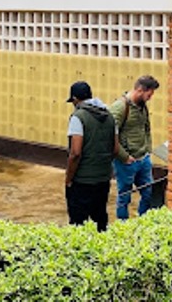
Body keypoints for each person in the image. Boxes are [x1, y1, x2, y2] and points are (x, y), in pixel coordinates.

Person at [65, 80, 120, 232]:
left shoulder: (78, 117)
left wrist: (69, 179)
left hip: (82, 180)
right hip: (103, 179)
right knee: (100, 218)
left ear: (75, 99)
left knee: (78, 223)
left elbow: (75, 153)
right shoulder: (109, 116)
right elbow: (115, 149)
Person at [109, 74, 160, 219]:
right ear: (140, 90)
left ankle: (142, 222)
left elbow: (146, 128)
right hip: (126, 162)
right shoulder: (120, 107)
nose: (150, 97)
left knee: (148, 192)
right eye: (149, 94)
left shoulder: (142, 106)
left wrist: (147, 150)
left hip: (143, 158)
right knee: (124, 198)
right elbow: (110, 134)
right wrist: (124, 157)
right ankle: (124, 228)